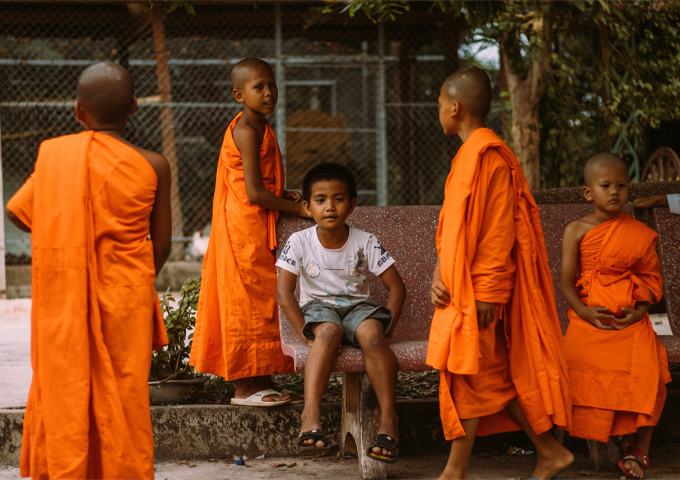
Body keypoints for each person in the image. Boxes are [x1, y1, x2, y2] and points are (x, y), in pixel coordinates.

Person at [5, 62, 171, 479]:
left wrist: (67, 230)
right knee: (126, 393)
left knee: (66, 385)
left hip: (65, 294)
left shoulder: (55, 156)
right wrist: (133, 276)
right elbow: (163, 242)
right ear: (135, 107)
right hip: (127, 294)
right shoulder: (155, 164)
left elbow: (19, 212)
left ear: (79, 111)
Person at [427, 67, 574, 480]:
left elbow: (497, 231)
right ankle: (549, 452)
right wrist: (440, 273)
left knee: (469, 374)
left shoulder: (488, 156)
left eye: (439, 104)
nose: (438, 111)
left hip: (480, 292)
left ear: (455, 107)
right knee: (482, 376)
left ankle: (455, 472)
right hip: (460, 288)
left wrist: (491, 292)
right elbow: (453, 228)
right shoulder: (467, 154)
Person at [189, 58, 307, 406]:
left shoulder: (261, 125)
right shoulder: (246, 130)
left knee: (266, 300)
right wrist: (299, 209)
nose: (269, 92)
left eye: (272, 85)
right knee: (248, 301)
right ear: (240, 94)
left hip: (258, 221)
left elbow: (259, 183)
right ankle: (244, 388)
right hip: (244, 226)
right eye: (259, 87)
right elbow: (254, 193)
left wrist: (284, 196)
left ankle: (263, 379)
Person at [276, 163, 406, 461]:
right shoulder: (299, 241)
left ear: (352, 204)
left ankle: (389, 420)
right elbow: (284, 294)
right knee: (328, 331)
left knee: (371, 333)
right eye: (320, 200)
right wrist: (304, 334)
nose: (330, 207)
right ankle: (310, 416)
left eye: (339, 199)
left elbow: (397, 289)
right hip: (320, 310)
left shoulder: (365, 241)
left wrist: (388, 331)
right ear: (307, 207)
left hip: (358, 309)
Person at [560, 153, 670, 479]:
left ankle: (641, 451)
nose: (614, 192)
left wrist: (638, 314)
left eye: (621, 185)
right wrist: (582, 311)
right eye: (605, 185)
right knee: (580, 361)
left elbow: (651, 280)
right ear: (587, 192)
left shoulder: (636, 232)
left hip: (630, 321)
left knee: (651, 369)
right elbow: (566, 282)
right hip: (588, 319)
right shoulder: (576, 230)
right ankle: (612, 437)